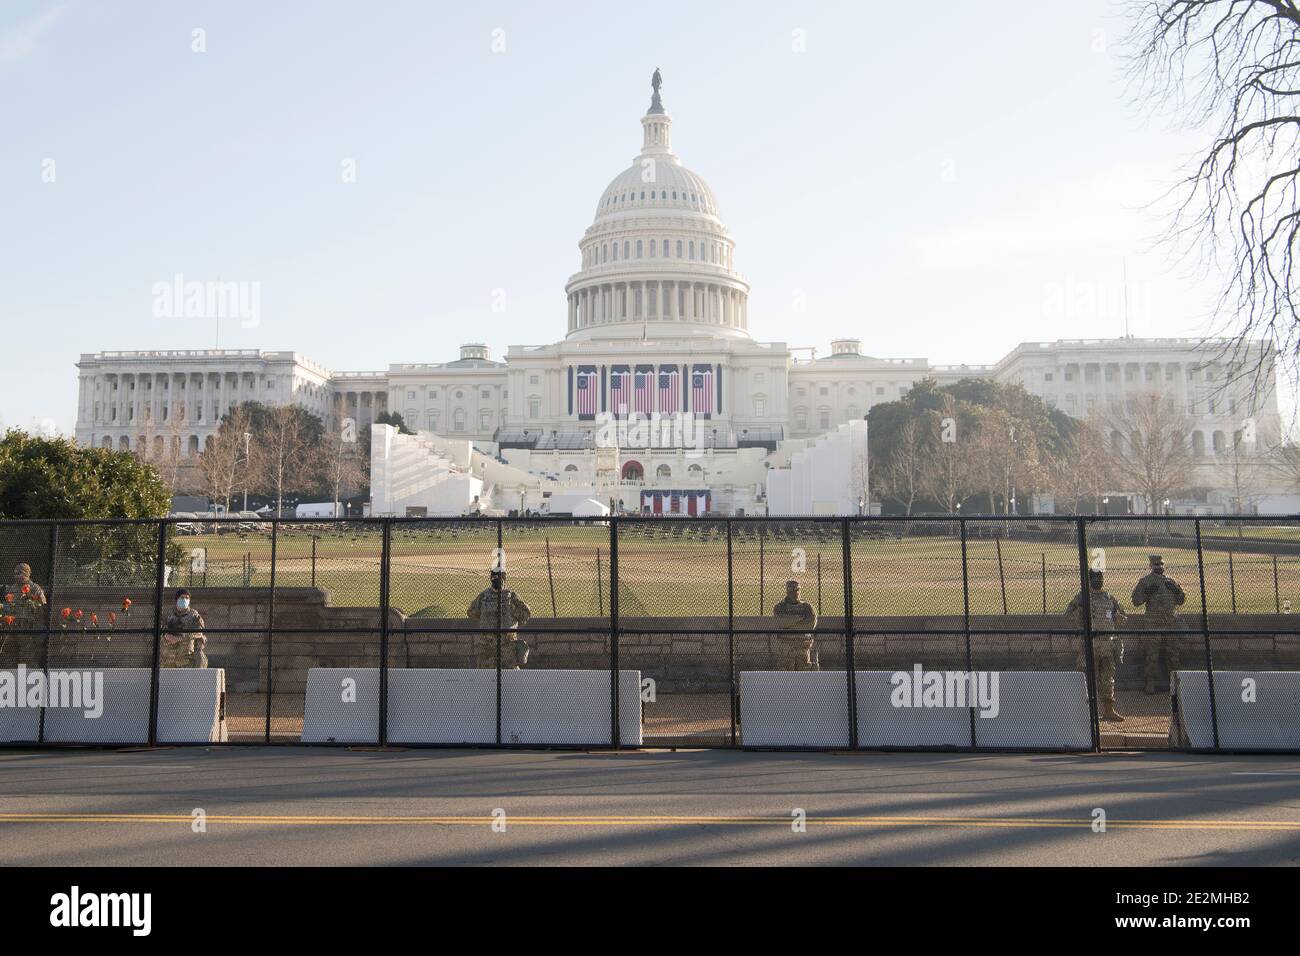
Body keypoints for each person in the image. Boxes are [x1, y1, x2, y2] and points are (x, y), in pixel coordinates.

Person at [1065, 570, 1127, 722]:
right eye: (1094, 578)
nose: (1098, 580)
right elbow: (1068, 616)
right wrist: (1081, 612)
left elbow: (1123, 619)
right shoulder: (1082, 597)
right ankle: (1087, 712)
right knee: (1088, 678)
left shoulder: (1109, 597)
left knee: (1108, 677)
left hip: (1107, 644)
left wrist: (1116, 617)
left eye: (1100, 577)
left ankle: (1108, 711)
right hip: (1090, 643)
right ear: (1088, 579)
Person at [1131, 554, 1187, 694]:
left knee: (1173, 655)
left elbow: (1181, 600)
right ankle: (1150, 683)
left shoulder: (1171, 581)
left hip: (1170, 623)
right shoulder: (1145, 582)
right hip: (1153, 624)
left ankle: (1176, 684)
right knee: (1152, 655)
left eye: (1161, 564)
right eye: (1156, 565)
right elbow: (1136, 601)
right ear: (1151, 566)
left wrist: (1176, 591)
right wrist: (1146, 592)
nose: (1159, 567)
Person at [467, 569, 532, 669]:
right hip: (487, 648)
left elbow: (526, 614)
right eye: (494, 577)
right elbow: (471, 612)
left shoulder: (511, 596)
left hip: (507, 646)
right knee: (485, 676)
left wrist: (512, 612)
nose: (497, 580)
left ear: (504, 578)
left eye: (500, 577)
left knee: (510, 677)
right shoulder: (484, 596)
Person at [772, 579, 819, 671]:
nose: (794, 593)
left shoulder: (807, 607)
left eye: (796, 590)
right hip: (786, 646)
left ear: (799, 590)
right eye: (792, 591)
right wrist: (800, 619)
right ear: (787, 591)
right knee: (785, 673)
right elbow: (781, 622)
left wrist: (790, 623)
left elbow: (810, 625)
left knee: (803, 674)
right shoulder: (780, 607)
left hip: (803, 646)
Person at [160, 588, 207, 668]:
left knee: (200, 657)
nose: (185, 600)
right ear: (177, 599)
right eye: (182, 597)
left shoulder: (193, 615)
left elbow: (200, 632)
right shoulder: (169, 614)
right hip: (169, 649)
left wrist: (182, 638)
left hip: (186, 650)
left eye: (187, 598)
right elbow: (161, 628)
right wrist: (167, 636)